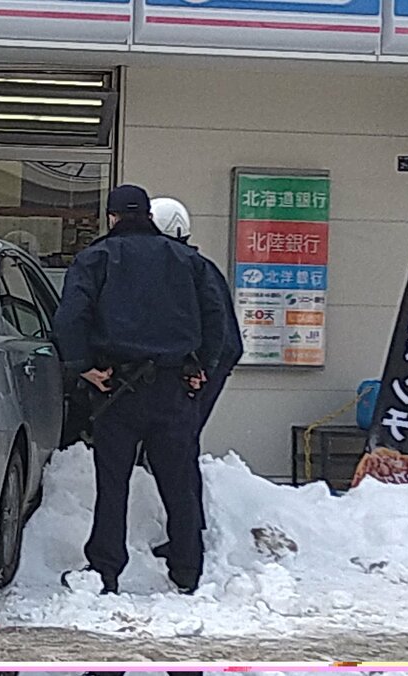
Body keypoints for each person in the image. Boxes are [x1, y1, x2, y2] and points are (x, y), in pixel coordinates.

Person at [54, 184, 227, 596]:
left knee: (112, 485)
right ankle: (188, 571)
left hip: (117, 387)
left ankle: (106, 571)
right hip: (174, 388)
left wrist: (84, 368)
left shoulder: (95, 259)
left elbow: (70, 318)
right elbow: (216, 316)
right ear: (149, 214)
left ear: (112, 217)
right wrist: (202, 365)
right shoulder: (189, 261)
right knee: (178, 482)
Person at [147, 197, 244, 563]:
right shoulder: (194, 266)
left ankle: (188, 541)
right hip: (208, 366)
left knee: (177, 450)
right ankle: (189, 533)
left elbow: (215, 328)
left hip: (203, 369)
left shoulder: (187, 268)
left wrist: (201, 369)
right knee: (180, 449)